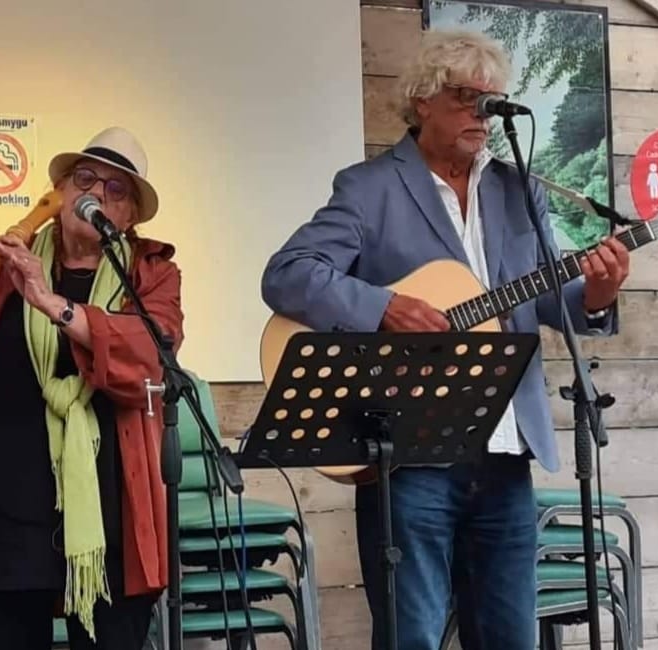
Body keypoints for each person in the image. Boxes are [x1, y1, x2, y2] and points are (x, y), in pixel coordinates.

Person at [260, 30, 630, 650]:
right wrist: (384, 307)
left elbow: (545, 299)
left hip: (506, 453)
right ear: (423, 100)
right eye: (467, 97)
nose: (483, 114)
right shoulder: (370, 188)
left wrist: (598, 293)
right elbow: (288, 274)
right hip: (411, 456)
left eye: (493, 101)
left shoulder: (520, 190)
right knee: (414, 637)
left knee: (511, 638)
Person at [0, 127, 183, 649]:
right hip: (8, 520)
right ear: (60, 193)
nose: (95, 193)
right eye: (84, 178)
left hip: (109, 526)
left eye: (115, 189)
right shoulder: (9, 261)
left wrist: (50, 303)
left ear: (129, 216)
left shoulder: (151, 275)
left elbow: (149, 355)